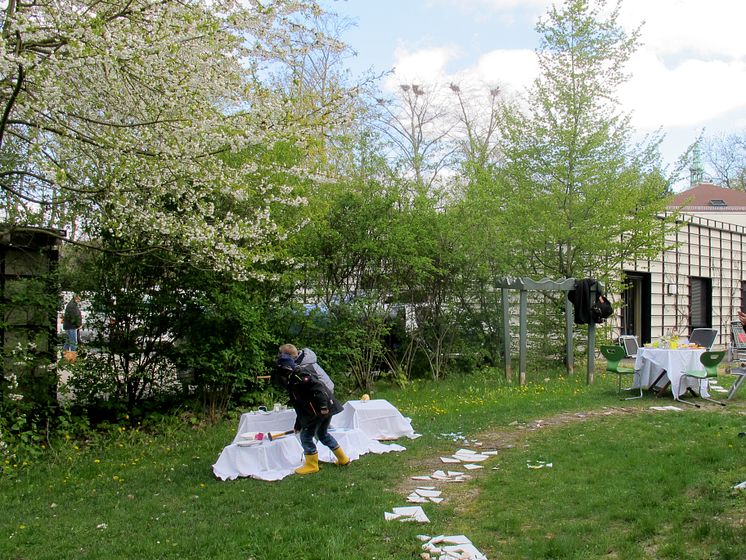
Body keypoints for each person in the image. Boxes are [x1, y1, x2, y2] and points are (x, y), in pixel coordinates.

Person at [273, 352, 349, 475]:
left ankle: (312, 465)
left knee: (306, 436)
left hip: (319, 410)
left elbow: (318, 389)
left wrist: (323, 407)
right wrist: (298, 424)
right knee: (322, 434)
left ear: (285, 370)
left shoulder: (300, 376)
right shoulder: (294, 378)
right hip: (321, 409)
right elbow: (300, 405)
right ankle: (343, 459)